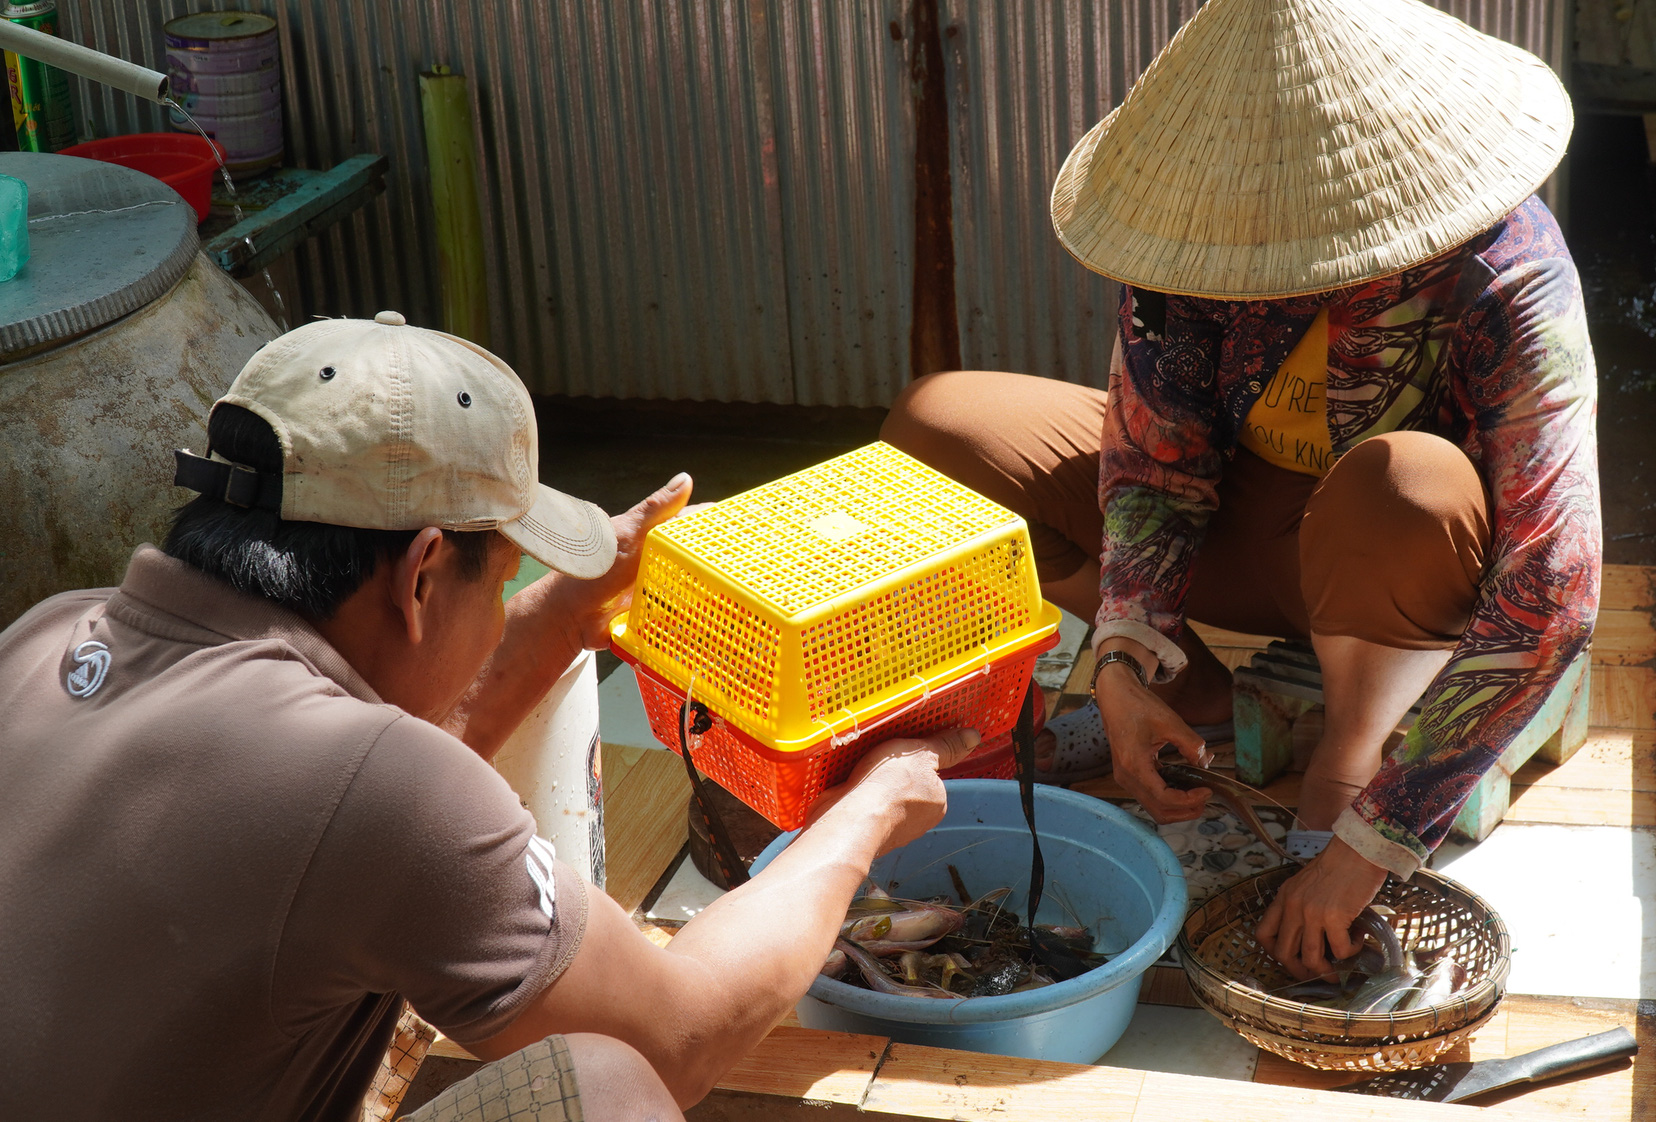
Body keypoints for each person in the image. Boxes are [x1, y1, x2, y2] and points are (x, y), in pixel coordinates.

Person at [0, 312, 976, 1121]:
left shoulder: (47, 639)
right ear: (423, 573)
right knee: (610, 1089)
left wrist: (559, 616)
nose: (515, 596)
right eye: (507, 575)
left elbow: (352, 798)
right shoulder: (372, 791)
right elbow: (682, 1033)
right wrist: (869, 809)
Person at [883, 0, 1599, 980]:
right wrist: (1124, 668)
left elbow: (1551, 592)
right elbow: (1151, 462)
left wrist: (1369, 844)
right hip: (1249, 530)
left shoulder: (1500, 270)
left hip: (1397, 567)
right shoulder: (1198, 245)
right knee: (940, 427)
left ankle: (1347, 756)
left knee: (1403, 484)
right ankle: (1194, 692)